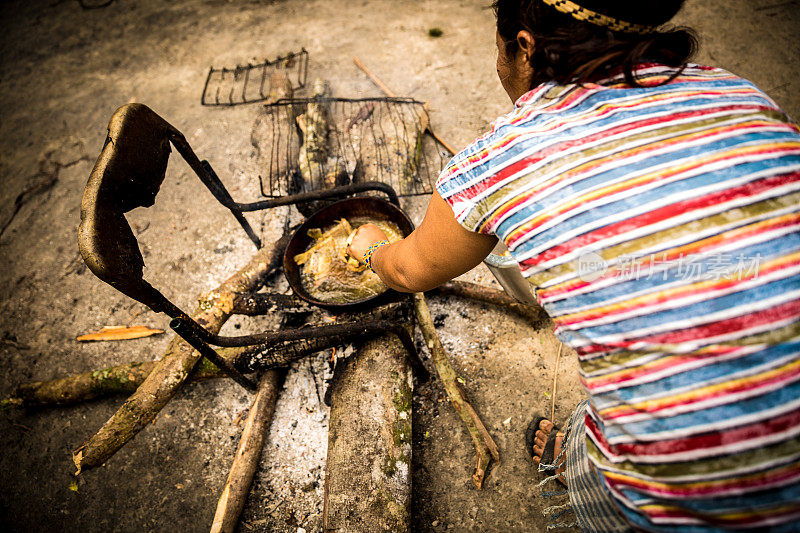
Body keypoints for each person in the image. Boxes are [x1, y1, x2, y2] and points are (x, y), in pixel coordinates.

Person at [348, 0, 800, 530]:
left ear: (524, 45)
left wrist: (372, 247)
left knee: (622, 441)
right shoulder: (742, 98)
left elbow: (409, 271)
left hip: (686, 504)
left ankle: (581, 466)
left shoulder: (502, 158)